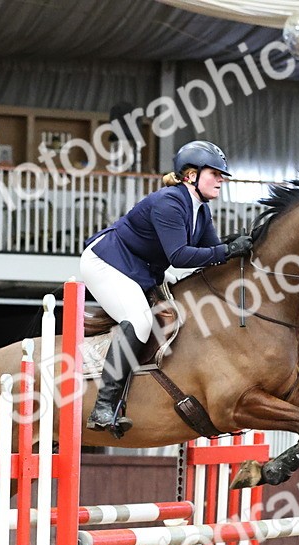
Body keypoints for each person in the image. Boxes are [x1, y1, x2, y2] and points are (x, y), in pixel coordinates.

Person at [79, 140, 254, 433]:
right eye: (215, 173)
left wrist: (239, 246)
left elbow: (212, 254)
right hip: (107, 262)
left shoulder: (201, 211)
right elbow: (180, 256)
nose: (221, 180)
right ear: (191, 175)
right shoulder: (169, 203)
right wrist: (226, 250)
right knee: (139, 321)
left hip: (142, 269)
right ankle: (103, 407)